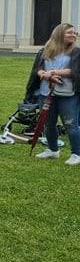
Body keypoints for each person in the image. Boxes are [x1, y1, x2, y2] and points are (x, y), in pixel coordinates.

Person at [29, 23, 80, 164]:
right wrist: (45, 75)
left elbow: (76, 70)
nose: (73, 35)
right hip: (46, 92)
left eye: (75, 33)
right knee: (48, 123)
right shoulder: (45, 50)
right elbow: (38, 68)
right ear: (59, 34)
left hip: (68, 94)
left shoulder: (76, 51)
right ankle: (52, 150)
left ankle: (77, 154)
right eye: (69, 32)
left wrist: (53, 72)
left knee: (71, 124)